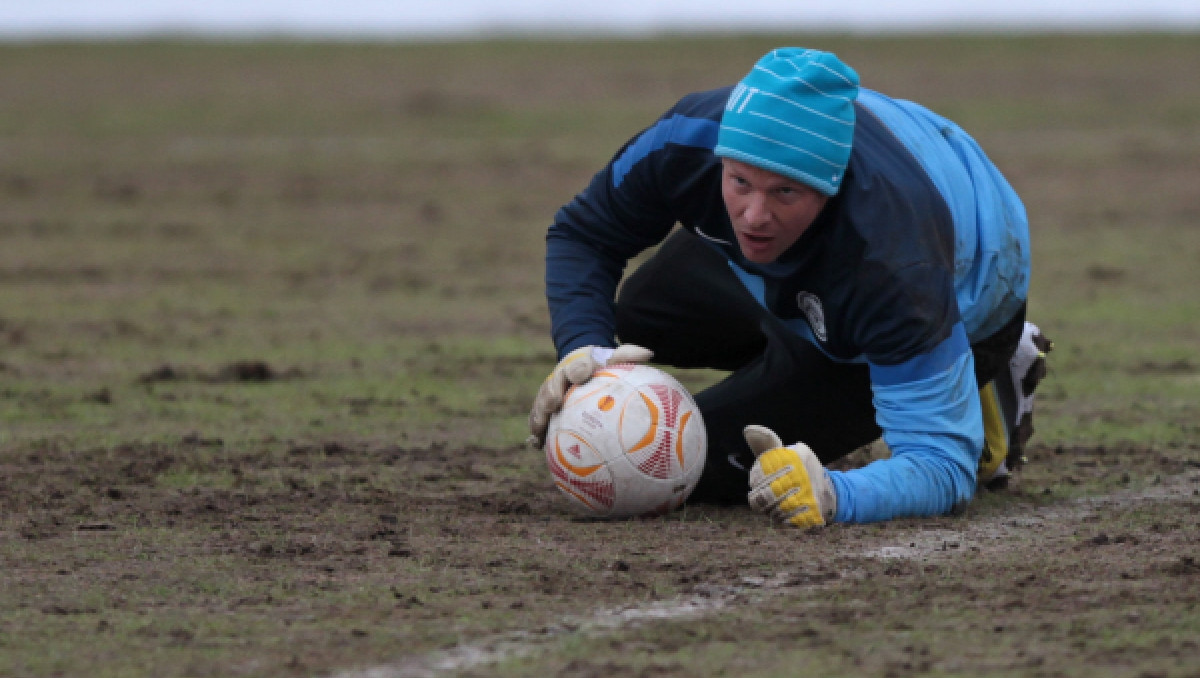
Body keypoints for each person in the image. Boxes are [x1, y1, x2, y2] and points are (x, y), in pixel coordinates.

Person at [527, 47, 1052, 527]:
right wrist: (583, 348)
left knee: (684, 467)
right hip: (801, 262)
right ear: (721, 160)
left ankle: (972, 374)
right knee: (628, 322)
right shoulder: (688, 139)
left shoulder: (893, 265)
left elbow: (941, 466)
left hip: (958, 297)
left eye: (785, 191)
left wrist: (835, 492)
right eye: (739, 183)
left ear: (829, 185)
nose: (754, 214)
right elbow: (584, 233)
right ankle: (813, 362)